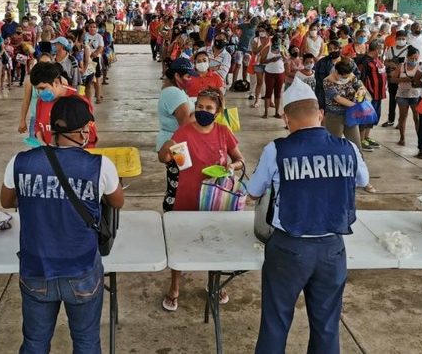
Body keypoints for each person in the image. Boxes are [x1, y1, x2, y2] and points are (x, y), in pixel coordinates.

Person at [246, 79, 369, 354]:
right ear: (321, 115)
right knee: (326, 326)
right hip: (332, 249)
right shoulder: (347, 147)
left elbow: (254, 192)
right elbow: (363, 179)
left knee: (275, 323)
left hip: (289, 249)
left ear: (286, 119)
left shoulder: (277, 149)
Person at [0, 96, 124, 353]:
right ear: (83, 131)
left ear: (52, 128)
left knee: (35, 342)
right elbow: (117, 200)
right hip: (80, 270)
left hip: (36, 268)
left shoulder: (20, 161)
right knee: (86, 341)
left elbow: (6, 200)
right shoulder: (100, 166)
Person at [158, 88, 244, 311]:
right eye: (199, 107)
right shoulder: (184, 132)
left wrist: (230, 166)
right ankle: (175, 286)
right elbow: (165, 158)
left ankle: (213, 283)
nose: (203, 111)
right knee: (180, 241)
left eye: (208, 108)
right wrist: (166, 147)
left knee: (213, 240)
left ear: (218, 111)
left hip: (215, 197)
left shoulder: (224, 132)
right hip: (187, 194)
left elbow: (240, 160)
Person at [156, 58, 196, 212]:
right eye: (187, 76)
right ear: (177, 76)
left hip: (176, 143)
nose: (190, 79)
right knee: (179, 184)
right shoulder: (174, 93)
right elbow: (185, 125)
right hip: (177, 146)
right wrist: (201, 112)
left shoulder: (174, 90)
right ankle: (172, 213)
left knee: (178, 181)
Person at [31, 63, 98, 147]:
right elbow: (38, 125)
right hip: (49, 156)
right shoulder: (42, 101)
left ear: (56, 82)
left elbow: (90, 137)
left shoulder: (78, 101)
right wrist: (43, 144)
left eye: (43, 88)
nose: (40, 93)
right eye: (37, 89)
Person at [322, 58, 367, 157]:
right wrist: (356, 106)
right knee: (334, 146)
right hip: (334, 116)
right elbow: (337, 98)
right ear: (336, 71)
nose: (345, 79)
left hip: (350, 115)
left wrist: (361, 91)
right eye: (343, 77)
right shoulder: (327, 81)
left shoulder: (351, 76)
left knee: (356, 146)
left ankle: (359, 166)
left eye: (346, 77)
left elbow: (361, 86)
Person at [358, 40, 387, 150]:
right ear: (376, 49)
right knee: (365, 117)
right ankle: (361, 140)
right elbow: (361, 79)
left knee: (373, 117)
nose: (381, 51)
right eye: (381, 49)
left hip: (378, 94)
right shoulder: (364, 61)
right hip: (368, 95)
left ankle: (366, 137)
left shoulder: (376, 60)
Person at [391, 47, 421, 148]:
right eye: (412, 58)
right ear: (407, 57)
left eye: (416, 58)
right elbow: (393, 79)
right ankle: (402, 138)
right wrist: (403, 80)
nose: (414, 61)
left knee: (416, 117)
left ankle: (420, 139)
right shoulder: (401, 66)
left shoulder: (420, 67)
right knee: (403, 116)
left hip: (415, 95)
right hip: (402, 95)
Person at [381, 30, 410, 127]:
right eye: (399, 38)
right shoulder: (391, 49)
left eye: (403, 39)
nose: (401, 40)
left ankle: (401, 122)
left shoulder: (409, 50)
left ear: (406, 39)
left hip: (402, 79)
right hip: (392, 78)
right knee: (392, 99)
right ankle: (390, 119)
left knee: (403, 101)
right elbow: (385, 61)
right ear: (395, 39)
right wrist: (390, 63)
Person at [260, 34, 286, 119]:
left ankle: (277, 112)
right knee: (268, 92)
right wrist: (271, 60)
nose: (276, 44)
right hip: (269, 73)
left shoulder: (282, 48)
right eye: (275, 42)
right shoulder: (268, 49)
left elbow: (286, 59)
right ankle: (266, 112)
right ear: (272, 41)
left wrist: (283, 55)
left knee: (278, 93)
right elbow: (261, 61)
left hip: (280, 73)